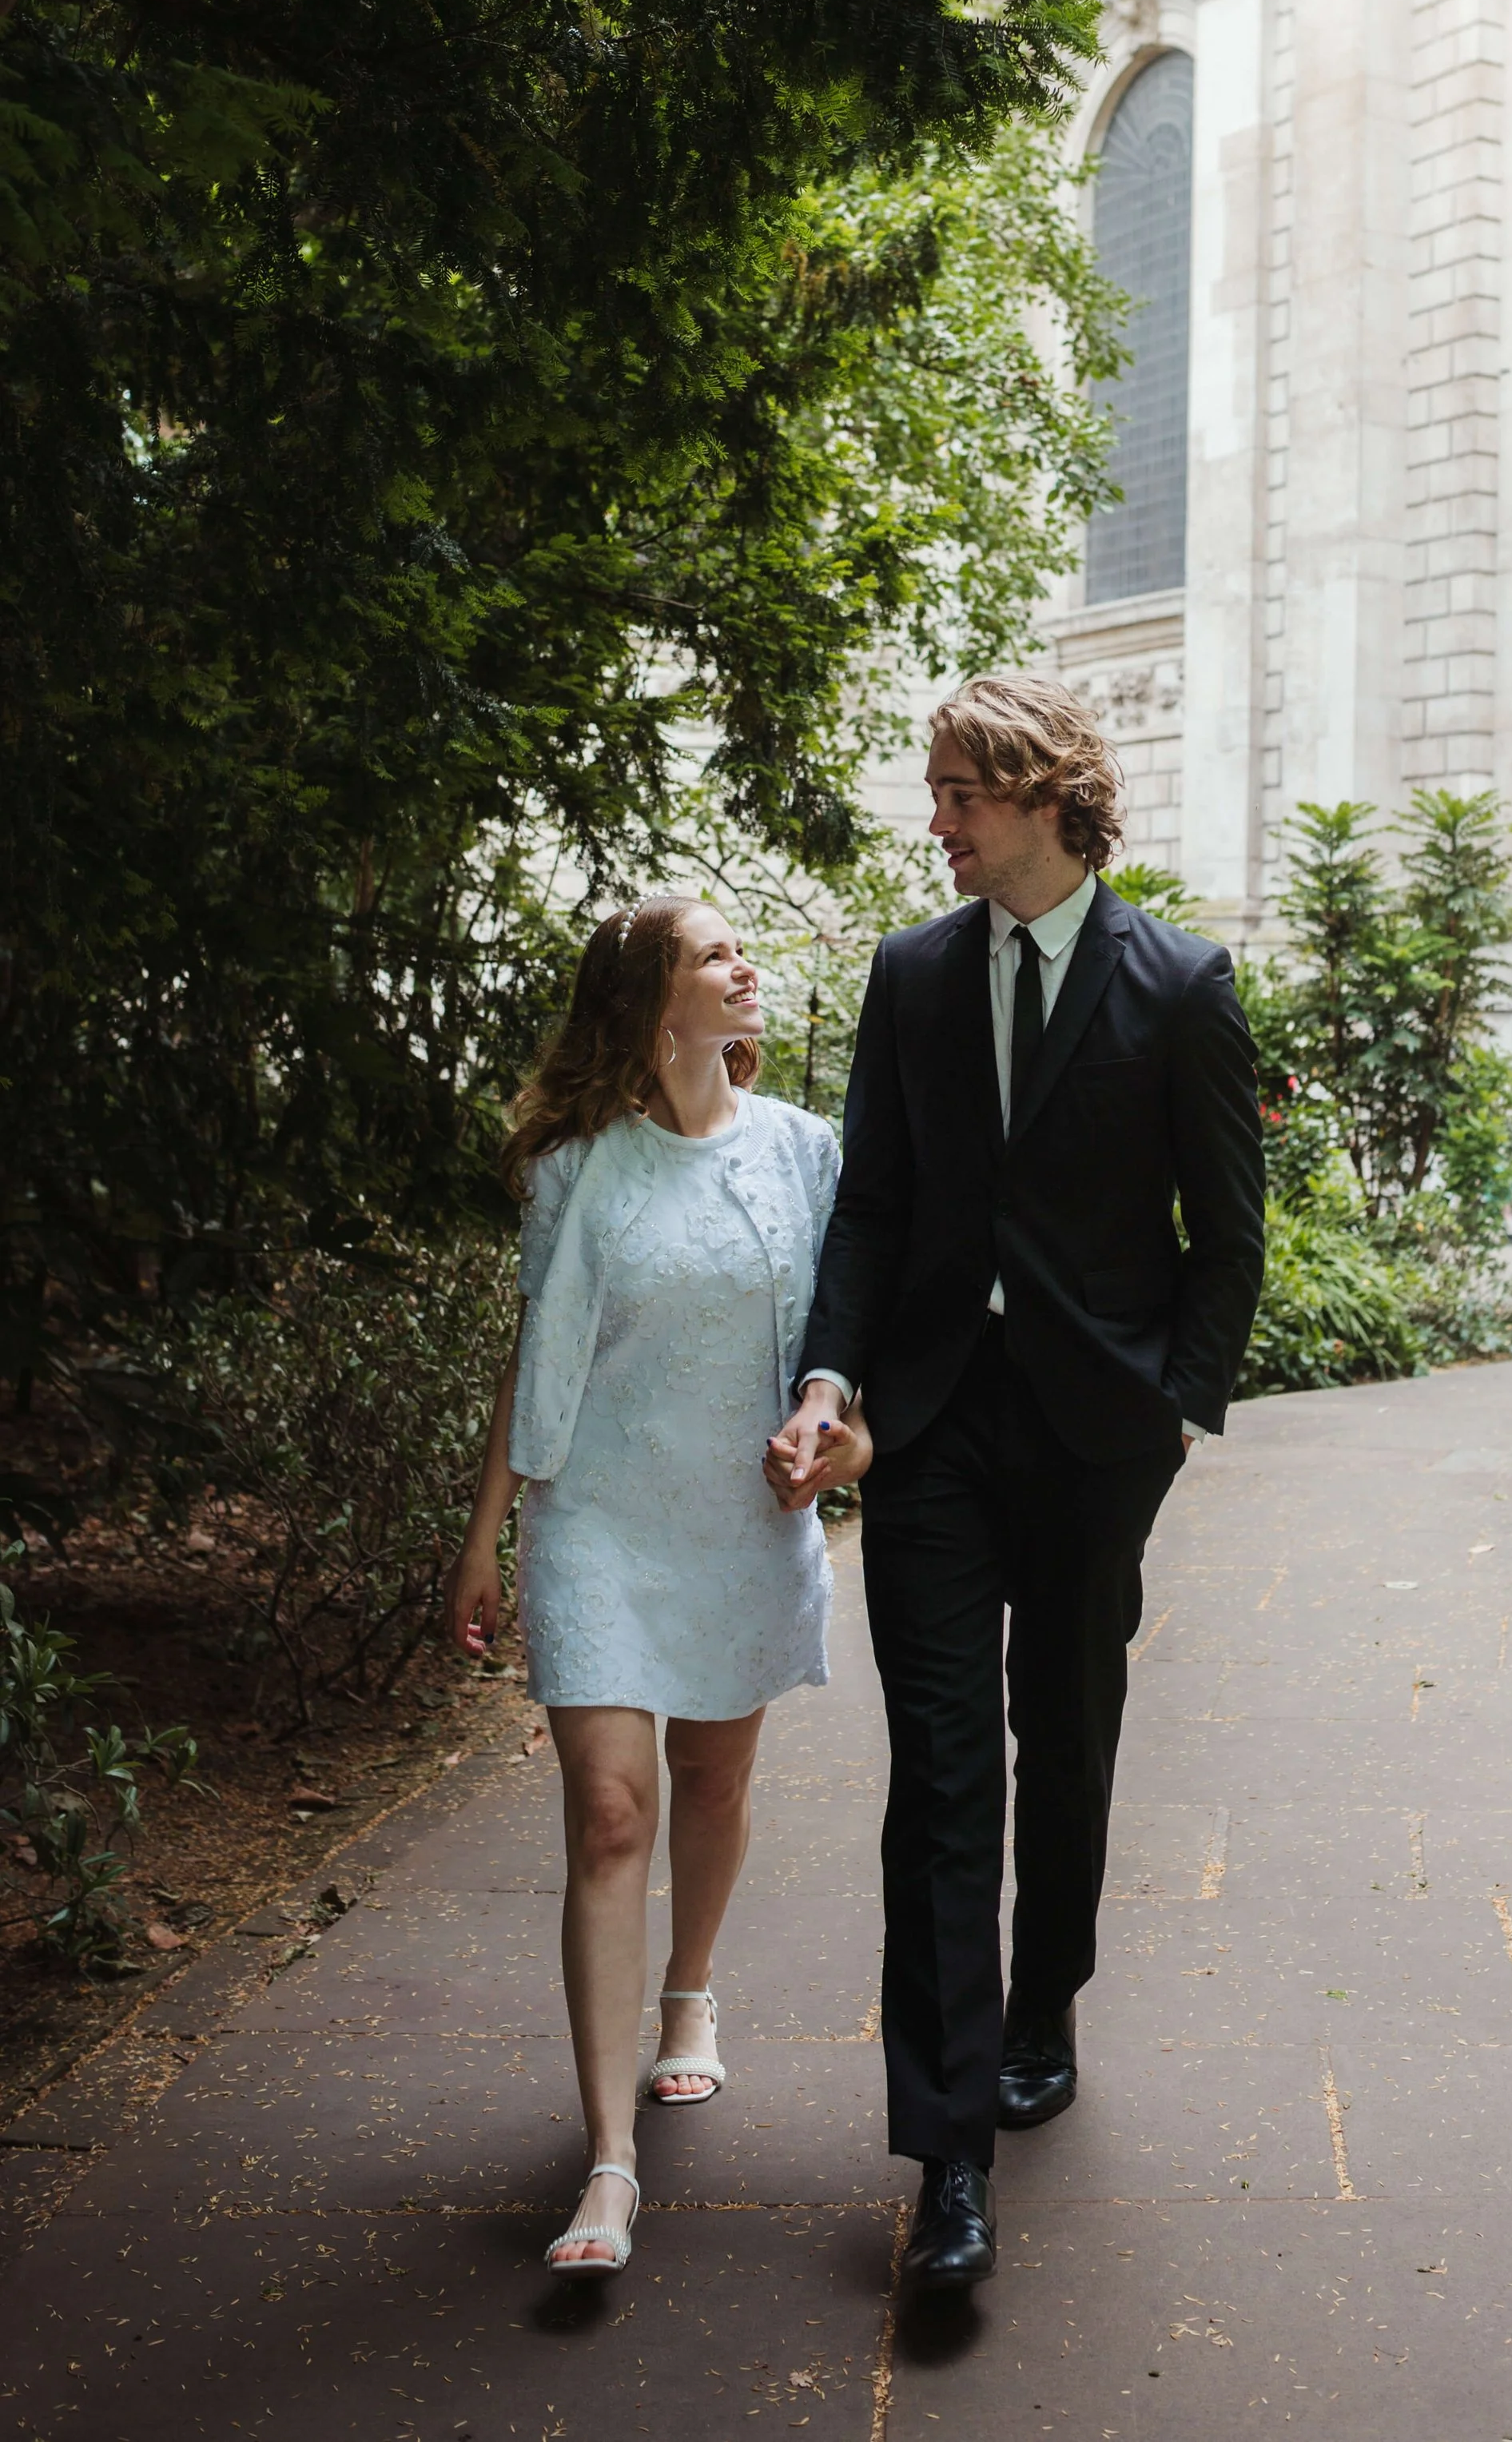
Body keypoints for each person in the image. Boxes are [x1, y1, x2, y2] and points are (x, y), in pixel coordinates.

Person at [767, 675, 1265, 2293]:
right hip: (924, 1428)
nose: (937, 824)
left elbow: (1225, 1235)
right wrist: (831, 1379)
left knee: (1063, 1736)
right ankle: (948, 2156)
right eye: (933, 794)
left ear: (1045, 793)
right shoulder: (911, 978)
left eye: (957, 796)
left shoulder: (1177, 982)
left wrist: (1168, 1412)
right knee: (935, 1777)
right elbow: (868, 1211)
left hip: (1090, 1438)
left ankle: (1046, 1985)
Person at [445, 894, 870, 2277]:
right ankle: (608, 2162)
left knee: (717, 1784)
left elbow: (841, 1332)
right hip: (600, 1524)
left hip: (738, 1521)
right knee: (613, 1810)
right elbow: (542, 1350)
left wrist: (837, 1431)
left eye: (742, 950)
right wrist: (484, 1532)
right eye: (715, 955)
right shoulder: (578, 1165)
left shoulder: (805, 1151)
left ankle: (692, 1992)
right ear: (652, 1000)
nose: (745, 969)